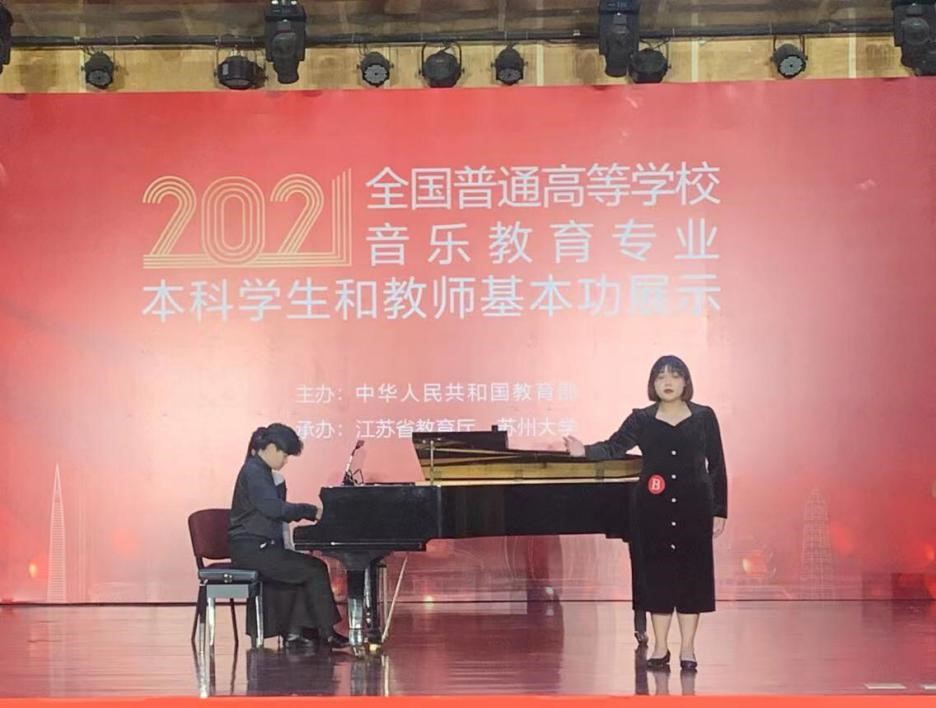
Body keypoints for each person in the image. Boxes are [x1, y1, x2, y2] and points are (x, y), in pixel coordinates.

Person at [564, 355, 727, 671]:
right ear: (653, 384)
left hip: (695, 505)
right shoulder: (641, 418)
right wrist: (584, 451)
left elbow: (717, 464)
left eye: (674, 375)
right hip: (652, 507)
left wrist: (719, 509)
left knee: (692, 575)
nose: (668, 382)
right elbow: (614, 447)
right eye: (660, 377)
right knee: (657, 574)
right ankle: (660, 646)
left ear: (685, 382)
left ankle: (688, 648)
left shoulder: (704, 417)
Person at [228, 423, 349, 649]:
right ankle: (326, 633)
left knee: (301, 567)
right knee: (314, 568)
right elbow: (273, 508)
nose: (285, 461)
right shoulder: (254, 471)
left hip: (258, 547)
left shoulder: (259, 471)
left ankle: (297, 632)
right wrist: (311, 511)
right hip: (252, 550)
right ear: (270, 448)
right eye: (284, 455)